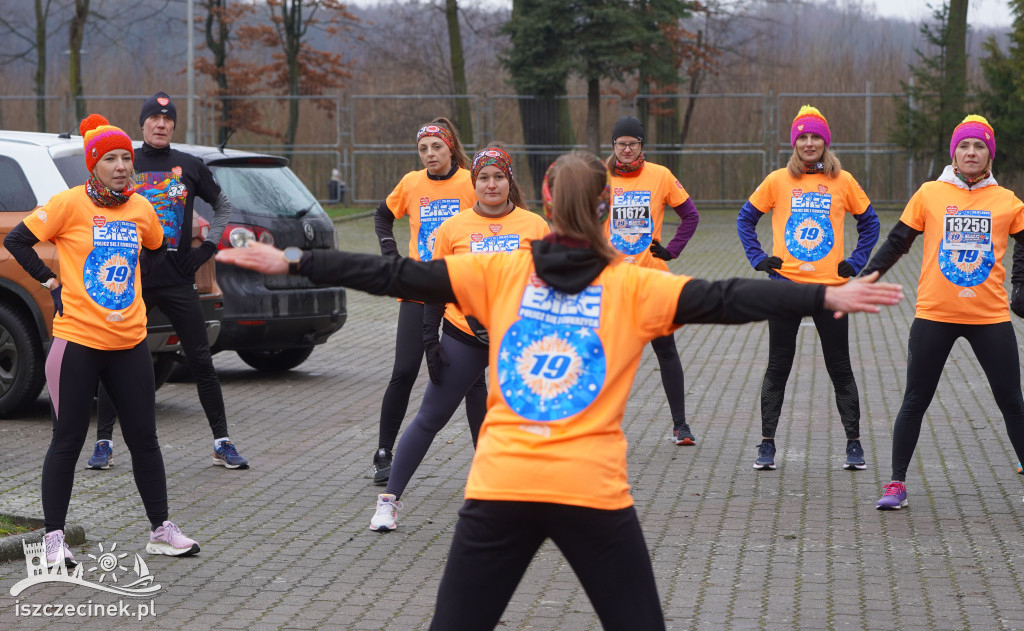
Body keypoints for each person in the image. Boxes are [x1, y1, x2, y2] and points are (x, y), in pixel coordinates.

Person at [216, 151, 902, 630]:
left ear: (542, 201)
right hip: (591, 493)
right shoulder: (636, 286)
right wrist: (824, 293)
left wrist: (297, 258)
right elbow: (731, 296)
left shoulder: (499, 273)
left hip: (500, 487)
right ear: (609, 208)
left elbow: (396, 276)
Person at [4, 114, 201, 565]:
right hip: (77, 341)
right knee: (68, 439)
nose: (120, 166)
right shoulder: (69, 204)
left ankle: (160, 529)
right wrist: (50, 283)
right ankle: (53, 539)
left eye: (125, 159)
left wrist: (136, 296)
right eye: (109, 158)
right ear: (93, 164)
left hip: (129, 342)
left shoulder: (140, 209)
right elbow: (17, 241)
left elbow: (154, 250)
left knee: (144, 439)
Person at [370, 144, 550, 531]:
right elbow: (437, 287)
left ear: (509, 181)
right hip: (462, 335)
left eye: (498, 176)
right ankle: (389, 501)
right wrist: (430, 341)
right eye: (483, 177)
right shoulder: (453, 227)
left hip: (514, 340)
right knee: (430, 417)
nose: (491, 184)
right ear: (475, 182)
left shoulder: (535, 226)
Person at [861, 115, 1024, 510]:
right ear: (954, 153)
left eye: (979, 146)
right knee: (915, 398)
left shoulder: (1008, 201)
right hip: (934, 315)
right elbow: (898, 241)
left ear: (989, 155)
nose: (971, 152)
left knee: (1012, 402)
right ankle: (896, 484)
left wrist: (1020, 286)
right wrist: (866, 277)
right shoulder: (930, 194)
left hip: (990, 317)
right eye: (964, 146)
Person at [86, 92, 247, 472]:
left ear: (174, 125)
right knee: (112, 358)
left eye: (167, 119)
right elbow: (97, 208)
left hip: (177, 278)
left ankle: (221, 442)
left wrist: (206, 249)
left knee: (201, 360)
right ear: (142, 124)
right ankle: (104, 444)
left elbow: (223, 207)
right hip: (131, 279)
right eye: (154, 118)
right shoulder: (126, 162)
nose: (161, 124)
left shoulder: (189, 165)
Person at [737, 105, 880, 471]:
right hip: (785, 288)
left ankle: (854, 444)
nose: (809, 142)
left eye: (816, 136)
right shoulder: (777, 181)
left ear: (826, 142)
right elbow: (745, 218)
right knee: (778, 366)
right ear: (794, 142)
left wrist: (856, 262)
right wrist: (758, 258)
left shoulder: (843, 181)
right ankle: (767, 444)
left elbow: (870, 223)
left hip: (831, 289)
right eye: (803, 136)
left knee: (840, 368)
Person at [369, 117, 483, 485]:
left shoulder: (470, 181)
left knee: (473, 380)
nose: (430, 154)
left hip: (460, 293)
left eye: (436, 146)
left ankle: (486, 461)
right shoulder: (411, 183)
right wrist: (390, 250)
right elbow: (383, 216)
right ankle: (384, 452)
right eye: (423, 149)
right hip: (419, 287)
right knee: (404, 370)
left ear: (450, 147)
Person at [605, 116, 701, 445]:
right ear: (613, 147)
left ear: (642, 146)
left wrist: (671, 251)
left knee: (665, 350)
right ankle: (599, 426)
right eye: (621, 144)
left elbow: (691, 215)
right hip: (613, 282)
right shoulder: (601, 179)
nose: (627, 149)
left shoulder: (660, 176)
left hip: (650, 281)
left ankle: (681, 426)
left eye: (633, 143)